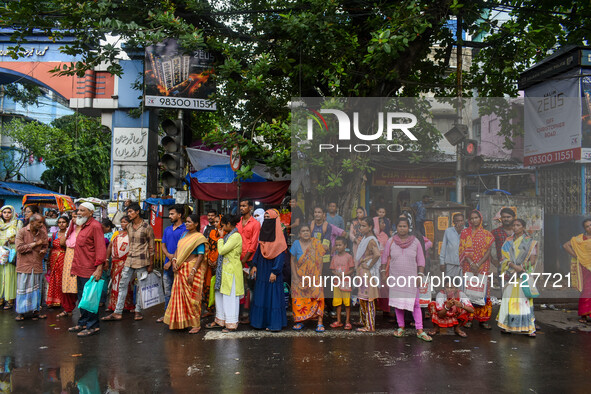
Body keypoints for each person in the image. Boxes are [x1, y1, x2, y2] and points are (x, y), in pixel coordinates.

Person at [103, 203, 155, 322]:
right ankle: (118, 312)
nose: (129, 214)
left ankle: (138, 311)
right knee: (122, 285)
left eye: (131, 211)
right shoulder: (129, 226)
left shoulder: (147, 227)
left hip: (142, 261)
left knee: (140, 287)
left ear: (137, 212)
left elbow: (151, 247)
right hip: (129, 259)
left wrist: (151, 264)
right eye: (128, 212)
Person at [385, 217, 432, 342]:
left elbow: (421, 261)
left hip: (411, 278)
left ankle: (420, 330)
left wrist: (420, 275)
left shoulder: (415, 242)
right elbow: (384, 258)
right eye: (399, 226)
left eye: (404, 226)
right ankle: (401, 327)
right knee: (398, 305)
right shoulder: (390, 241)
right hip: (396, 277)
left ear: (409, 227)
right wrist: (384, 273)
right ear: (396, 227)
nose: (402, 228)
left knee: (416, 303)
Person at [164, 214, 207, 334]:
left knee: (192, 298)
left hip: (191, 268)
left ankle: (196, 324)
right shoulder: (183, 235)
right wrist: (174, 261)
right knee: (179, 296)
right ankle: (181, 322)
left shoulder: (199, 237)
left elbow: (200, 255)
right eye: (186, 222)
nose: (187, 224)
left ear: (196, 224)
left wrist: (193, 271)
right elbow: (178, 249)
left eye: (189, 222)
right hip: (180, 268)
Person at [67, 202, 107, 337]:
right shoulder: (82, 225)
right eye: (78, 210)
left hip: (90, 269)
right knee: (82, 297)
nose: (79, 213)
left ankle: (92, 325)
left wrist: (99, 268)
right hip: (79, 268)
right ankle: (83, 322)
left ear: (90, 212)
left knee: (90, 299)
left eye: (82, 211)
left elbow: (101, 249)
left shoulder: (95, 226)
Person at [497, 219, 538, 337]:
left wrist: (521, 268)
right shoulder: (508, 241)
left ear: (523, 227)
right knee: (509, 299)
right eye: (513, 225)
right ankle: (507, 326)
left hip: (523, 274)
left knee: (524, 300)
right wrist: (513, 266)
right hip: (510, 274)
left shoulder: (530, 242)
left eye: (518, 225)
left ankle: (528, 328)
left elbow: (533, 259)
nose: (515, 227)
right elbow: (503, 258)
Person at [250, 209, 288, 331]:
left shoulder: (279, 237)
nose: (266, 220)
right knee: (262, 295)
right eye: (265, 217)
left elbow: (280, 253)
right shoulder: (263, 233)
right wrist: (254, 264)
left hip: (272, 270)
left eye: (269, 218)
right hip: (262, 268)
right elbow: (259, 249)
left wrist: (275, 271)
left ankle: (273, 324)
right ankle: (260, 323)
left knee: (273, 296)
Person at [207, 214, 244, 332]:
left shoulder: (235, 236)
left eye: (222, 225)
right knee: (220, 296)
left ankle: (231, 324)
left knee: (230, 297)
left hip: (231, 271)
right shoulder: (230, 235)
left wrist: (221, 238)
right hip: (224, 271)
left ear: (228, 224)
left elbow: (222, 250)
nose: (221, 228)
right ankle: (221, 320)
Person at [459, 210, 494, 329]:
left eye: (476, 218)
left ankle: (482, 320)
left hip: (482, 266)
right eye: (472, 218)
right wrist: (472, 263)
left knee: (482, 290)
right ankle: (468, 318)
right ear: (469, 220)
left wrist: (478, 264)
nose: (474, 220)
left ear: (481, 218)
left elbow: (488, 251)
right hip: (468, 266)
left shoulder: (487, 234)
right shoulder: (465, 232)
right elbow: (463, 249)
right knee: (469, 290)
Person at [290, 225, 326, 332]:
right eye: (303, 231)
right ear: (299, 234)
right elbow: (292, 261)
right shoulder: (296, 244)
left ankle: (320, 322)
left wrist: (318, 275)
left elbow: (320, 261)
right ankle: (300, 321)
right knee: (299, 298)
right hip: (300, 277)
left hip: (314, 276)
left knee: (319, 298)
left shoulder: (316, 243)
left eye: (307, 231)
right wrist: (295, 277)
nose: (305, 232)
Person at [14, 214, 48, 320]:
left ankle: (35, 311)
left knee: (36, 289)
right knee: (23, 288)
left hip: (37, 264)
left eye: (42, 222)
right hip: (25, 265)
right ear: (32, 222)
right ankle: (21, 312)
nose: (42, 225)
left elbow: (45, 245)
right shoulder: (22, 232)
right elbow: (19, 248)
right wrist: (35, 244)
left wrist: (43, 250)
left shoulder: (42, 232)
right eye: (39, 222)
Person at [158, 205, 186, 323]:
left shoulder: (185, 229)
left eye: (172, 214)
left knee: (179, 292)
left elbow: (182, 246)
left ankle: (178, 316)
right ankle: (167, 314)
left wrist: (171, 260)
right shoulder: (167, 229)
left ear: (179, 215)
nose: (170, 216)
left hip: (179, 265)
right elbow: (163, 245)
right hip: (167, 264)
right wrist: (169, 257)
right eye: (169, 214)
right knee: (168, 292)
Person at [354, 218, 381, 332]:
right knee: (363, 298)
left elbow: (377, 254)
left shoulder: (371, 240)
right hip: (363, 272)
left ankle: (370, 326)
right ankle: (364, 321)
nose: (361, 228)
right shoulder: (366, 238)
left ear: (370, 227)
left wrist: (369, 265)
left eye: (364, 226)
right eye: (360, 226)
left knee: (368, 299)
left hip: (368, 273)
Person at [563, 218, 591, 324]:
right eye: (587, 226)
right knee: (587, 290)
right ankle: (584, 315)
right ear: (584, 228)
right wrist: (577, 256)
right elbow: (566, 245)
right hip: (586, 268)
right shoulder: (580, 239)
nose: (589, 227)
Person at [236, 200, 260, 323]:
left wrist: (243, 260)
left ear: (250, 207)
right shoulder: (238, 223)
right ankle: (240, 314)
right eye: (240, 206)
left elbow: (254, 244)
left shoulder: (255, 224)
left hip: (249, 261)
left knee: (251, 288)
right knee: (240, 288)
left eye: (244, 206)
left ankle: (251, 315)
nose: (241, 208)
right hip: (237, 260)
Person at [105, 216, 134, 313]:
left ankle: (127, 305)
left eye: (125, 222)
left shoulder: (132, 234)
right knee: (114, 284)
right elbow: (110, 246)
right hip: (115, 262)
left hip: (126, 263)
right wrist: (106, 259)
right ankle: (113, 305)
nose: (123, 224)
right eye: (121, 222)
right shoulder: (116, 234)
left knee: (125, 284)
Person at [329, 237, 355, 330]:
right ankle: (339, 321)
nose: (338, 247)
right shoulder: (334, 257)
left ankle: (347, 321)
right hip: (337, 283)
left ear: (345, 246)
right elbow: (332, 270)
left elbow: (352, 270)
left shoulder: (349, 257)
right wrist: (337, 274)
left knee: (347, 303)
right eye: (336, 245)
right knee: (337, 303)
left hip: (346, 284)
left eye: (340, 245)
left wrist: (343, 275)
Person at [0, 205, 22, 310]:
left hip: (11, 253)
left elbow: (21, 238)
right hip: (0, 253)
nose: (7, 214)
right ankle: (1, 298)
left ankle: (10, 299)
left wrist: (13, 241)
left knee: (10, 276)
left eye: (9, 212)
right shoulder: (0, 224)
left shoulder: (17, 223)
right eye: (4, 212)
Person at [46, 215, 69, 308]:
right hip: (53, 257)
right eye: (59, 222)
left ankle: (61, 300)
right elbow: (51, 247)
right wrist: (48, 260)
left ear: (67, 223)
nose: (61, 224)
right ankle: (52, 300)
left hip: (64, 257)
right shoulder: (54, 234)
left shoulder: (69, 234)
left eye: (63, 222)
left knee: (61, 278)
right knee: (53, 277)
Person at [60, 210, 79, 318]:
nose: (74, 219)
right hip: (69, 256)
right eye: (73, 217)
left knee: (78, 285)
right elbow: (63, 243)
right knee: (67, 284)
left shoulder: (86, 229)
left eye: (76, 216)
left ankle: (83, 313)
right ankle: (67, 309)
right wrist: (69, 229)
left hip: (79, 257)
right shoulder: (71, 229)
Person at [203, 215, 222, 317]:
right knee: (208, 285)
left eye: (217, 221)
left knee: (219, 288)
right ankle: (209, 309)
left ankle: (219, 312)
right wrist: (209, 259)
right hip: (210, 263)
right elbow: (209, 246)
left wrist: (217, 261)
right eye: (214, 222)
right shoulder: (211, 233)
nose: (215, 223)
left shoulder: (225, 234)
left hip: (221, 264)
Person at [439, 213, 465, 279]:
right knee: (450, 282)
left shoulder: (467, 231)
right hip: (450, 263)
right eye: (458, 221)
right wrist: (442, 262)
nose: (460, 223)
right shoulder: (448, 231)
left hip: (464, 263)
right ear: (453, 222)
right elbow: (444, 247)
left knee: (462, 285)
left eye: (461, 221)